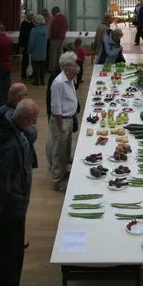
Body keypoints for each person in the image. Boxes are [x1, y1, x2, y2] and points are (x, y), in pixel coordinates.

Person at [0, 99, 39, 286]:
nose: (34, 124)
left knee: (3, 241)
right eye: (32, 120)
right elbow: (1, 182)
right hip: (12, 205)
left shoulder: (0, 122)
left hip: (10, 202)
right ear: (22, 118)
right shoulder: (11, 146)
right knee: (13, 252)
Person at [48, 54, 79, 192]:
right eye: (72, 73)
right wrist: (60, 127)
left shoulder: (70, 78)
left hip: (69, 119)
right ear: (66, 70)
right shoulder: (58, 83)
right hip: (61, 121)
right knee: (58, 151)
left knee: (66, 149)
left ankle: (65, 172)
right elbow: (56, 107)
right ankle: (57, 181)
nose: (74, 76)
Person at [28, 14, 48, 86]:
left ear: (36, 21)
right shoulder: (45, 29)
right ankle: (42, 81)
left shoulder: (34, 30)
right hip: (43, 51)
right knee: (42, 67)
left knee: (36, 67)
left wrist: (29, 50)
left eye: (34, 20)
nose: (33, 21)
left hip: (35, 51)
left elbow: (31, 42)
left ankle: (36, 81)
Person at [48, 6, 67, 74]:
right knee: (59, 53)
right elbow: (66, 27)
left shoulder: (56, 18)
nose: (51, 13)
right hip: (62, 37)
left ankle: (52, 68)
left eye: (52, 11)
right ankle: (58, 67)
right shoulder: (64, 17)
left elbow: (55, 29)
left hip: (55, 38)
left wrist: (51, 37)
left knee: (53, 54)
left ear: (55, 11)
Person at [18, 12, 34, 84]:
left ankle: (31, 74)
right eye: (30, 16)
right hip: (25, 44)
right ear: (27, 16)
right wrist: (21, 45)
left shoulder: (33, 24)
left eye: (32, 15)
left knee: (32, 60)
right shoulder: (24, 23)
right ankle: (24, 74)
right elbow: (21, 35)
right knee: (25, 61)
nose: (31, 17)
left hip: (32, 44)